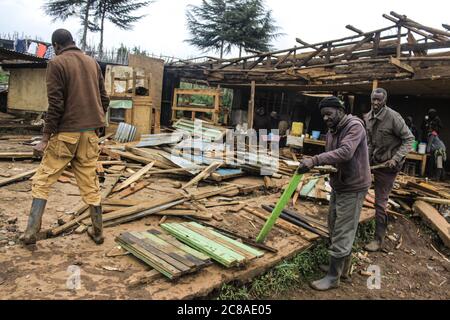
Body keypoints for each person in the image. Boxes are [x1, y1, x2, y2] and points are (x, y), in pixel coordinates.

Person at [20, 29, 110, 245]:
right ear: (73, 42)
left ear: (56, 46)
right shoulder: (92, 63)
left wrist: (45, 137)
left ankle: (31, 232)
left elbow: (56, 105)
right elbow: (104, 99)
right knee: (90, 182)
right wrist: (95, 125)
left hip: (66, 134)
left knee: (43, 180)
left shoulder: (57, 63)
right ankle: (98, 232)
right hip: (89, 135)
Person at [297, 96, 371, 291]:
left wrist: (314, 160)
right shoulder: (332, 130)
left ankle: (333, 277)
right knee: (334, 224)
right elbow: (335, 157)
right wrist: (322, 167)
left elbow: (346, 152)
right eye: (323, 115)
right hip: (340, 184)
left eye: (329, 114)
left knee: (343, 230)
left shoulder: (355, 126)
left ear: (340, 110)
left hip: (354, 186)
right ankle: (342, 270)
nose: (326, 118)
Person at [364, 88, 414, 252]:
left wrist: (395, 158)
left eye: (379, 100)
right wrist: (365, 160)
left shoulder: (393, 117)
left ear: (385, 100)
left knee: (380, 202)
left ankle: (378, 240)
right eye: (374, 100)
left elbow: (409, 139)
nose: (376, 103)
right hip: (374, 162)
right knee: (356, 190)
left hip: (389, 167)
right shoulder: (368, 117)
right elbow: (370, 142)